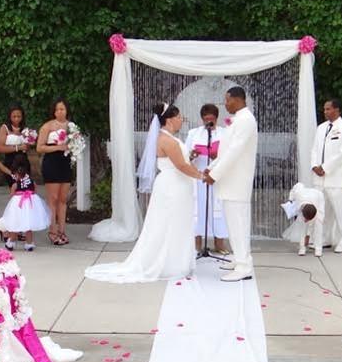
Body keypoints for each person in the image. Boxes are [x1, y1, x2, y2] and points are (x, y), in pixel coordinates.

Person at [85, 104, 202, 282]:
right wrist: (202, 176)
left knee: (177, 222)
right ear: (170, 120)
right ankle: (168, 263)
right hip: (172, 187)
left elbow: (181, 161)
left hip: (176, 185)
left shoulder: (169, 138)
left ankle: (176, 260)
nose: (182, 120)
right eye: (179, 117)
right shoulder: (167, 140)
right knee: (169, 223)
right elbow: (181, 165)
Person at [204, 87, 259, 282]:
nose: (225, 104)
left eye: (227, 100)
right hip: (230, 182)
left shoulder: (246, 120)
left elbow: (235, 151)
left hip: (237, 182)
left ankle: (244, 267)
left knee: (239, 224)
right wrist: (211, 168)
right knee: (233, 224)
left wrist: (215, 175)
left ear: (238, 99)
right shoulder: (238, 119)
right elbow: (225, 151)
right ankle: (239, 258)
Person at [185, 104, 230, 254]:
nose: (208, 122)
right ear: (202, 119)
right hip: (199, 176)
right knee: (198, 208)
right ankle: (197, 243)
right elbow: (185, 156)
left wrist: (217, 156)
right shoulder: (193, 133)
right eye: (206, 119)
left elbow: (230, 155)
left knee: (219, 208)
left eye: (211, 119)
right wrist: (193, 155)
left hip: (217, 176)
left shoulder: (225, 133)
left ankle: (219, 243)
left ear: (216, 118)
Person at [310, 98, 342, 253]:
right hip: (319, 178)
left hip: (336, 178)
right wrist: (314, 165)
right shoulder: (321, 128)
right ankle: (324, 238)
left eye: (328, 109)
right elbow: (315, 149)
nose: (325, 112)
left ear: (337, 110)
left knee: (340, 211)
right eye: (324, 109)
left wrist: (325, 167)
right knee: (322, 211)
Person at [37, 98, 74, 246]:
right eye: (57, 109)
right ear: (54, 111)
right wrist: (58, 147)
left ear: (67, 110)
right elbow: (40, 147)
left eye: (62, 109)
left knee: (63, 199)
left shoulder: (71, 126)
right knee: (53, 198)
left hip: (65, 163)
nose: (60, 112)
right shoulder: (47, 126)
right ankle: (52, 231)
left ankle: (62, 230)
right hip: (52, 163)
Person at [0, 154, 51, 252]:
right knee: (28, 226)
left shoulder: (15, 184)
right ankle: (29, 244)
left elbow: (12, 194)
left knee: (15, 224)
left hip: (18, 206)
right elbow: (35, 190)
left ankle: (11, 243)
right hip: (29, 204)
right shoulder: (31, 181)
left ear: (16, 174)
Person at [286, 181, 325, 257]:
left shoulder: (319, 198)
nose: (306, 220)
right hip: (305, 202)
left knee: (318, 226)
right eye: (306, 219)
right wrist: (290, 198)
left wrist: (308, 235)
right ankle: (302, 248)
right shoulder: (298, 193)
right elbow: (298, 184)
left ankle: (318, 249)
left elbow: (318, 216)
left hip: (317, 201)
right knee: (302, 228)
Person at [0, 103, 30, 185]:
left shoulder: (25, 129)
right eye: (14, 116)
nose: (16, 119)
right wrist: (18, 147)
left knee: (25, 186)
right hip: (11, 160)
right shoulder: (5, 128)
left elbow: (27, 147)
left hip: (23, 160)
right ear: (9, 116)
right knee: (14, 186)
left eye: (19, 116)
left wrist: (30, 142)